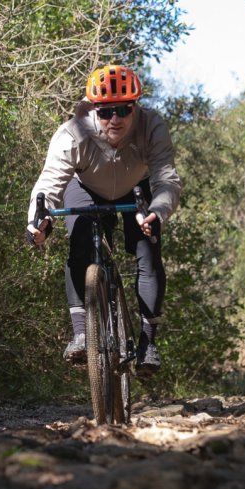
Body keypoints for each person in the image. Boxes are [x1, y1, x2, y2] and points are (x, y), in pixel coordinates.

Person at [26, 64, 182, 374]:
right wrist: (37, 222)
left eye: (123, 110)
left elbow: (167, 179)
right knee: (81, 244)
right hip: (85, 187)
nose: (115, 119)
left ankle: (147, 343)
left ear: (135, 107)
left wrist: (158, 210)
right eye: (107, 111)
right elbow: (50, 182)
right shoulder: (74, 133)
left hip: (136, 189)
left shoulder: (151, 127)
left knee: (148, 251)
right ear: (94, 109)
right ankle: (82, 334)